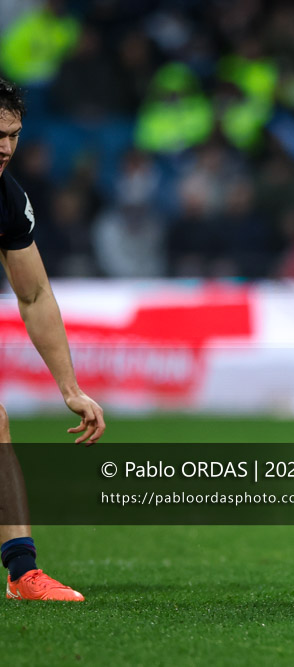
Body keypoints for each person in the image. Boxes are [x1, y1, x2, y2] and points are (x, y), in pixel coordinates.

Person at [0, 77, 106, 601]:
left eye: (13, 135)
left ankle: (23, 573)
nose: (5, 147)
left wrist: (70, 387)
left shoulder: (6, 198)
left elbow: (36, 294)